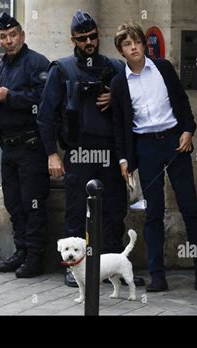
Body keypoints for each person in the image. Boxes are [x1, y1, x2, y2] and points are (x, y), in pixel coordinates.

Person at [37, 10, 144, 288]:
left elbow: (133, 107)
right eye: (83, 38)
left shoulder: (115, 68)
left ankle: (110, 269)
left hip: (109, 152)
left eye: (93, 36)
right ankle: (75, 270)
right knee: (75, 212)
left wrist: (115, 96)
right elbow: (46, 115)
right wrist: (51, 153)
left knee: (114, 212)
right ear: (73, 39)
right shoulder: (61, 70)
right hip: (79, 151)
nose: (89, 42)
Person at [111, 23, 197, 292]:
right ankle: (158, 275)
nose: (134, 47)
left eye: (137, 42)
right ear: (121, 50)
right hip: (146, 147)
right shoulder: (119, 83)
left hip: (175, 142)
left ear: (144, 44)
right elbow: (119, 126)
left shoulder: (163, 68)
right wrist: (124, 161)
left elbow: (182, 101)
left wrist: (188, 130)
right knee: (153, 212)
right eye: (127, 44)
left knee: (189, 206)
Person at [0, 13, 50, 278]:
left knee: (33, 203)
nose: (8, 41)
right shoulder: (4, 67)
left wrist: (11, 96)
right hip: (8, 147)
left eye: (13, 35)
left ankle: (35, 257)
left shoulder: (37, 63)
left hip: (31, 146)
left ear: (22, 35)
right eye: (3, 37)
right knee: (14, 203)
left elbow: (44, 103)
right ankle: (21, 250)